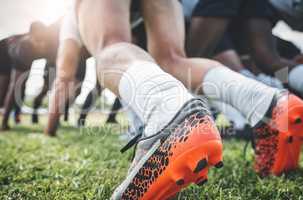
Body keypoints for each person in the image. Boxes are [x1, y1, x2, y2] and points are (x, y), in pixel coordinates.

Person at [48, 0, 303, 198]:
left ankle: (168, 116)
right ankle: (266, 102)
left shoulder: (71, 19)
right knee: (173, 60)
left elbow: (63, 76)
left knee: (110, 46)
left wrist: (51, 128)